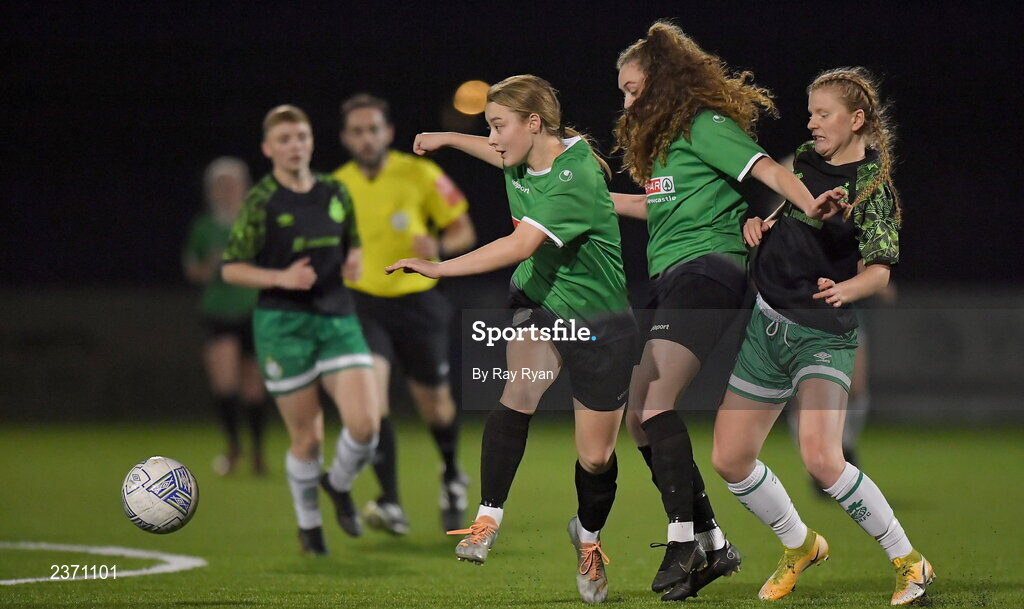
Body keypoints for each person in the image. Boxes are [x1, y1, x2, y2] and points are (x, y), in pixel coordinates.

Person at [610, 21, 846, 601]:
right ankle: (714, 542)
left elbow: (765, 169)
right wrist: (583, 205)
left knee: (654, 401)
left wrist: (809, 205)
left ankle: (684, 539)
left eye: (633, 87)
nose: (626, 100)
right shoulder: (664, 144)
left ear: (660, 82)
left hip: (708, 270)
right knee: (637, 415)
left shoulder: (703, 125)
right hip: (670, 278)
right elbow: (653, 206)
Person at [391, 75, 638, 604]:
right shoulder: (521, 149)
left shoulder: (573, 175)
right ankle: (487, 518)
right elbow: (500, 153)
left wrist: (440, 266)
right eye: (489, 128)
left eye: (499, 126)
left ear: (535, 123)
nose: (495, 138)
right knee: (518, 391)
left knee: (595, 458)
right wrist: (449, 138)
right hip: (539, 302)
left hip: (601, 324)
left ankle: (589, 539)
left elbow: (520, 243)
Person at [711, 67, 934, 605]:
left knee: (822, 458)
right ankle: (800, 544)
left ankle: (911, 563)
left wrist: (847, 288)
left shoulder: (873, 187)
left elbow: (879, 271)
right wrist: (756, 227)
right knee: (730, 459)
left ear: (857, 120)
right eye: (810, 112)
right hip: (767, 326)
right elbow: (784, 214)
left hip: (821, 336)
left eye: (822, 113)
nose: (811, 122)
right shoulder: (807, 163)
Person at [222, 105, 380, 556]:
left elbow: (354, 245)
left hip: (336, 316)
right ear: (269, 148)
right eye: (285, 139)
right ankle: (309, 525)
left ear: (311, 142)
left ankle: (338, 483)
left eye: (302, 137)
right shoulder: (260, 202)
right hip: (283, 323)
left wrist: (355, 261)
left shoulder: (335, 191)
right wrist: (280, 278)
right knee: (307, 437)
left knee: (365, 426)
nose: (295, 146)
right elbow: (232, 269)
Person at [334, 93, 476, 535]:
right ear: (345, 138)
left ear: (388, 133)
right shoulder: (335, 187)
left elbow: (463, 231)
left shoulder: (419, 173)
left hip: (417, 300)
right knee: (370, 406)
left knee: (434, 406)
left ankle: (452, 474)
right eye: (357, 131)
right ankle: (390, 501)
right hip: (364, 304)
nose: (366, 137)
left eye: (373, 128)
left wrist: (438, 249)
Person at [183, 157, 267, 476]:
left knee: (254, 386)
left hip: (253, 311)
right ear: (212, 190)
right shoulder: (204, 227)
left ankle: (258, 453)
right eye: (222, 185)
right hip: (218, 311)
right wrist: (213, 266)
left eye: (233, 184)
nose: (228, 190)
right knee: (224, 383)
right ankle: (234, 450)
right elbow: (193, 271)